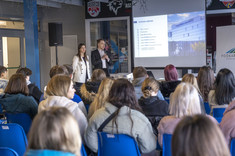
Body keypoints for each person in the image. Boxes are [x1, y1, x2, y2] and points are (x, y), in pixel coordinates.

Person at [85, 79, 156, 154]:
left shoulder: (97, 116)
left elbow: (89, 141)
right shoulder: (139, 119)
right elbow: (150, 146)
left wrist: (105, 150)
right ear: (132, 95)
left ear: (111, 93)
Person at [157, 82, 217, 147]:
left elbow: (162, 145)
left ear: (175, 100)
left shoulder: (165, 122)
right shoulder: (210, 122)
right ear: (196, 100)